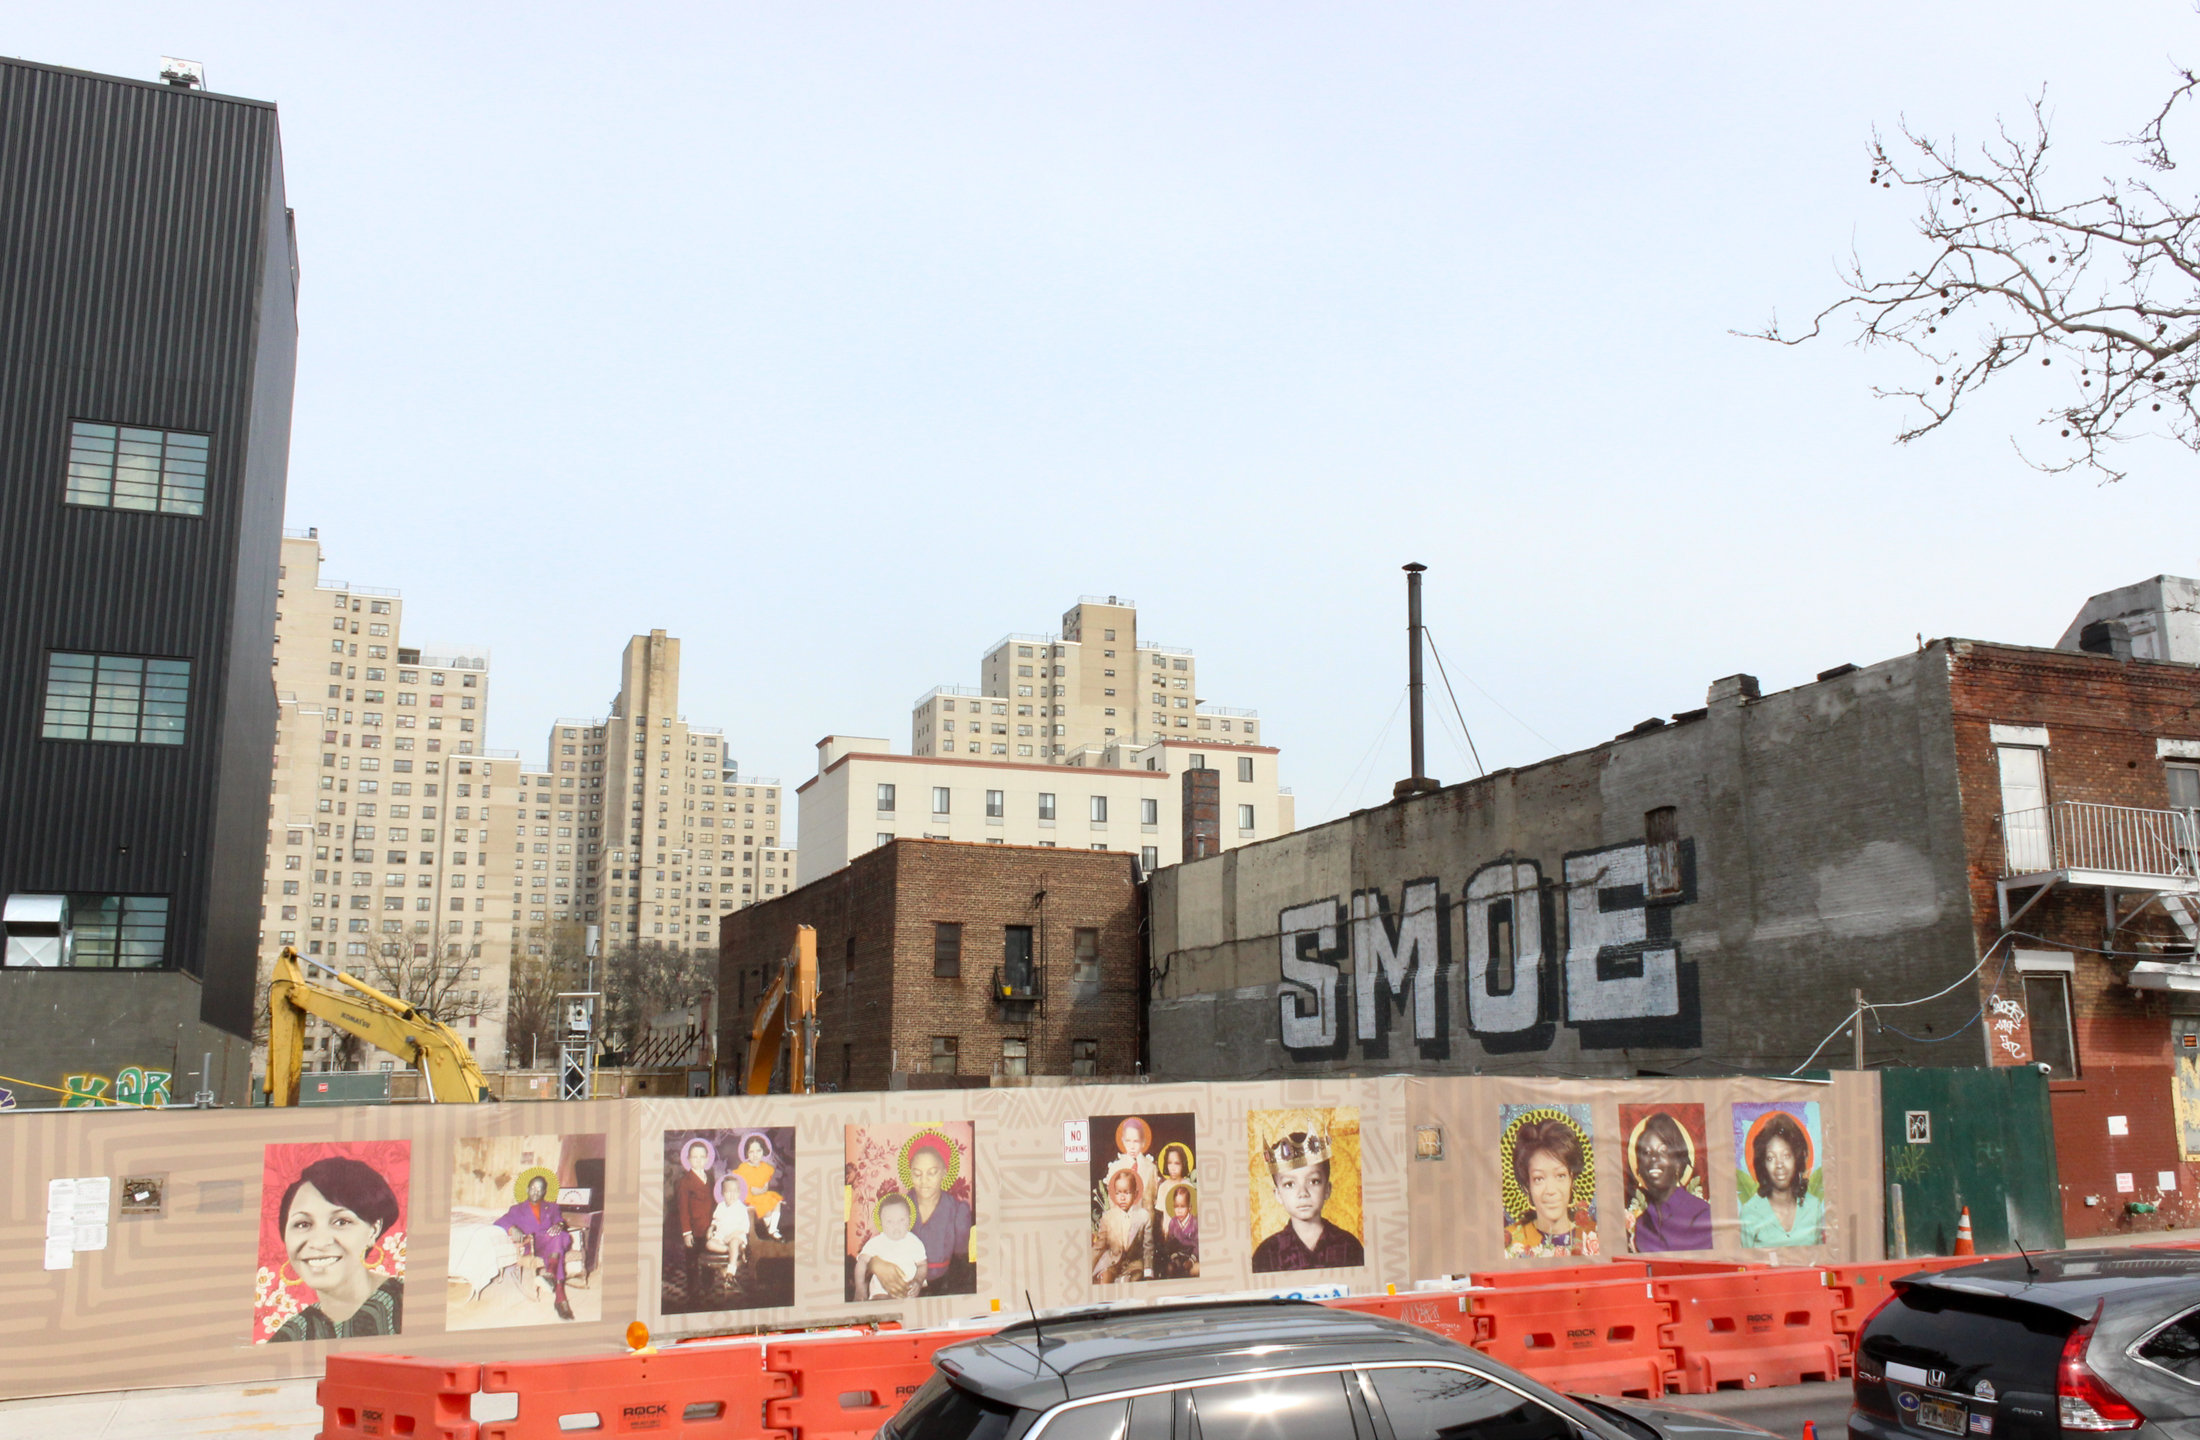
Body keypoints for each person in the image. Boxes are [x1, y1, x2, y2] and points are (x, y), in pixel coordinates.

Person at [269, 1156, 405, 1342]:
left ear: (373, 1231)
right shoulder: (290, 1336)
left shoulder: (409, 1304)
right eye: (302, 1224)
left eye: (341, 1222)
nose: (318, 1242)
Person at [1250, 1129, 1364, 1272]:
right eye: (1290, 1184)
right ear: (1278, 1194)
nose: (1303, 1193)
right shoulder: (1265, 1254)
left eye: (1314, 1181)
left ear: (1327, 1189)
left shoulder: (1350, 1246)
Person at [1504, 1117, 1597, 1257]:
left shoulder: (1594, 1233)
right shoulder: (1509, 1241)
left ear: (1572, 1178)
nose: (1551, 1190)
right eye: (1539, 1179)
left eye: (1560, 1176)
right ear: (1527, 1186)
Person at [495, 1169, 576, 1321]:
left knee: (560, 1236)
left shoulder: (552, 1207)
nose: (535, 1191)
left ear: (544, 1192)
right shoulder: (516, 1209)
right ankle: (557, 1291)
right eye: (532, 1188)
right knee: (560, 1241)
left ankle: (556, 1287)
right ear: (527, 1189)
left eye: (539, 1189)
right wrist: (513, 1228)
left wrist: (558, 1224)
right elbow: (500, 1222)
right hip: (532, 1245)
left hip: (551, 1245)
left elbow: (560, 1219)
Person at [1627, 1113, 1713, 1253]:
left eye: (1663, 1151)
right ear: (1640, 1169)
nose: (1654, 1159)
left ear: (1678, 1163)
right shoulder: (1642, 1224)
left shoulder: (1701, 1214)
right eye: (1647, 1153)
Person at [1738, 1112, 1824, 1247]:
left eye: (1786, 1156)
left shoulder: (1814, 1207)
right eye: (1771, 1158)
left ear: (1797, 1159)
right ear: (1763, 1164)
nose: (1779, 1165)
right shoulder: (1750, 1212)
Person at [905, 1132, 974, 1294]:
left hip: (944, 1285)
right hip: (906, 1281)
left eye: (932, 1172)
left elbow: (961, 1262)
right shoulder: (902, 1206)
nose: (924, 1181)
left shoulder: (958, 1211)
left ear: (944, 1171)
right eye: (917, 1174)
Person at [856, 1192, 929, 1300]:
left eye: (902, 1220)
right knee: (880, 1303)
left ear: (909, 1221)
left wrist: (917, 1281)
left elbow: (922, 1265)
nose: (896, 1225)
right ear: (881, 1224)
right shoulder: (876, 1242)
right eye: (889, 1221)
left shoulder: (914, 1242)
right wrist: (860, 1286)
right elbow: (862, 1261)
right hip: (880, 1293)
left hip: (906, 1292)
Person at [1092, 1167, 1151, 1282]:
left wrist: (1149, 1272)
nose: (1122, 1198)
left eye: (1127, 1193)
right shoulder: (1108, 1216)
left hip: (1133, 1264)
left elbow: (1148, 1247)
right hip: (1111, 1261)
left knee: (1136, 1278)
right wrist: (1087, 1268)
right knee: (1104, 1278)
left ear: (1135, 1193)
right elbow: (1099, 1246)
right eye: (1118, 1193)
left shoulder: (1143, 1216)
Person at [674, 1139, 716, 1299]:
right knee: (692, 1262)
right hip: (693, 1229)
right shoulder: (685, 1181)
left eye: (701, 1157)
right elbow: (683, 1209)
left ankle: (709, 1287)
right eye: (694, 1157)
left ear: (706, 1159)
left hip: (709, 1228)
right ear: (688, 1159)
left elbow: (715, 1201)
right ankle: (693, 1292)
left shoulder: (711, 1178)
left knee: (709, 1260)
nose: (698, 1160)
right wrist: (686, 1233)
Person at [733, 1135, 785, 1241]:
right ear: (747, 1153)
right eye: (751, 1152)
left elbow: (765, 1187)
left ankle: (772, 1229)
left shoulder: (766, 1168)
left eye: (758, 1151)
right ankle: (771, 1230)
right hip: (749, 1196)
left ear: (763, 1151)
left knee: (776, 1201)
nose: (755, 1155)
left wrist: (760, 1191)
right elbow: (739, 1186)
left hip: (761, 1194)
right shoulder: (743, 1168)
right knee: (766, 1204)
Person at [1106, 1118, 1158, 1218]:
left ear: (1143, 1142)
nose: (1132, 1146)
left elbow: (1151, 1200)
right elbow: (1112, 1202)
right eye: (1128, 1141)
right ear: (1123, 1142)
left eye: (1136, 1141)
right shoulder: (1115, 1168)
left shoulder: (1151, 1168)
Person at [705, 1174, 751, 1282]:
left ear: (739, 1193)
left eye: (735, 1191)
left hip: (736, 1235)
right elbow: (715, 1221)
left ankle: (731, 1270)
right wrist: (711, 1228)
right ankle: (732, 1251)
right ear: (722, 1193)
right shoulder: (720, 1206)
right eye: (728, 1191)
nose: (732, 1194)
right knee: (709, 1244)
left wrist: (731, 1236)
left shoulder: (741, 1207)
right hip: (721, 1236)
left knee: (734, 1243)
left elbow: (744, 1227)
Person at [1157, 1181, 1199, 1279]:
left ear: (1189, 1207)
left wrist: (1191, 1261)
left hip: (1192, 1258)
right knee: (1170, 1269)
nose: (1179, 1210)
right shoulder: (1173, 1223)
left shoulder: (1194, 1223)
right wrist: (1175, 1258)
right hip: (1177, 1258)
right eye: (1176, 1207)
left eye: (1183, 1207)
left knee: (1197, 1270)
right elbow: (1171, 1244)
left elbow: (1197, 1245)